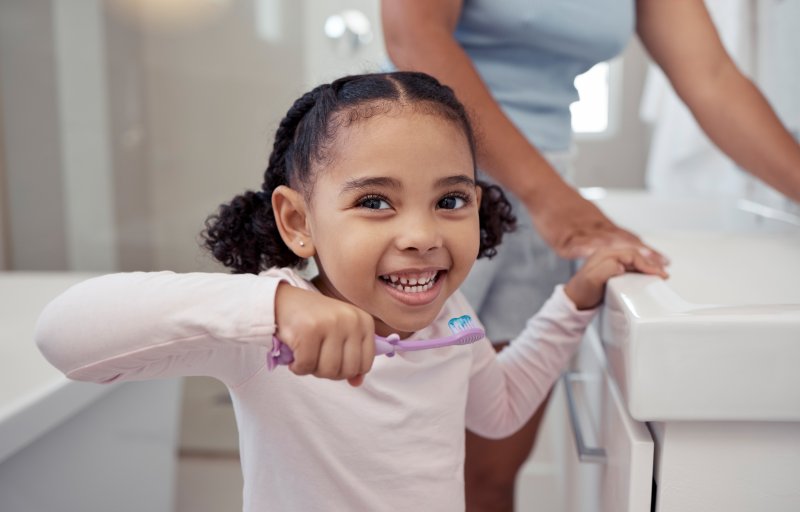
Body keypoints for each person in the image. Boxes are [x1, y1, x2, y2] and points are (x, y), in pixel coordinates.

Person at [35, 71, 667, 511]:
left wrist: (575, 300)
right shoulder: (270, 329)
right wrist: (270, 307)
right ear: (299, 222)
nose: (421, 235)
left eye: (450, 200)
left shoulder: (450, 314)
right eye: (374, 202)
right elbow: (64, 333)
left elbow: (495, 410)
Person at [381, 2, 800, 510]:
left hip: (540, 187)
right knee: (397, 462)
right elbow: (413, 36)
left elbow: (712, 78)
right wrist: (550, 199)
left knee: (493, 468)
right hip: (426, 188)